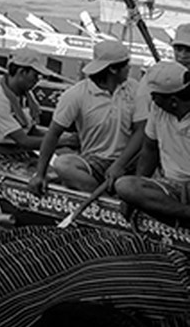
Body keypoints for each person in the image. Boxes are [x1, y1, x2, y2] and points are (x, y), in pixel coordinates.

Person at [30, 40, 137, 194]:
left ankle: (113, 191)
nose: (129, 68)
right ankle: (105, 196)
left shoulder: (135, 89)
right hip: (94, 161)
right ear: (113, 69)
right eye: (126, 65)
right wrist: (40, 174)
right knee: (63, 164)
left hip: (129, 160)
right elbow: (53, 134)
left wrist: (120, 164)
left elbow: (142, 132)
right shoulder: (75, 94)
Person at [102, 23, 190, 190]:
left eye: (188, 51)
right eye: (179, 49)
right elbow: (146, 135)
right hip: (162, 160)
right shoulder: (155, 78)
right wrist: (122, 164)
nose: (183, 56)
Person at [115, 62, 190, 223]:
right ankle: (184, 213)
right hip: (172, 185)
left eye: (155, 96)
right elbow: (150, 149)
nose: (152, 99)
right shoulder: (158, 110)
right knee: (125, 186)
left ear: (173, 101)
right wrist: (136, 190)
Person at [0, 50, 72, 161]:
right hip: (0, 156)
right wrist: (64, 141)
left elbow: (31, 130)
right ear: (22, 72)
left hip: (21, 152)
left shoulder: (27, 97)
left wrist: (62, 136)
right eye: (35, 75)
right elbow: (24, 141)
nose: (37, 80)